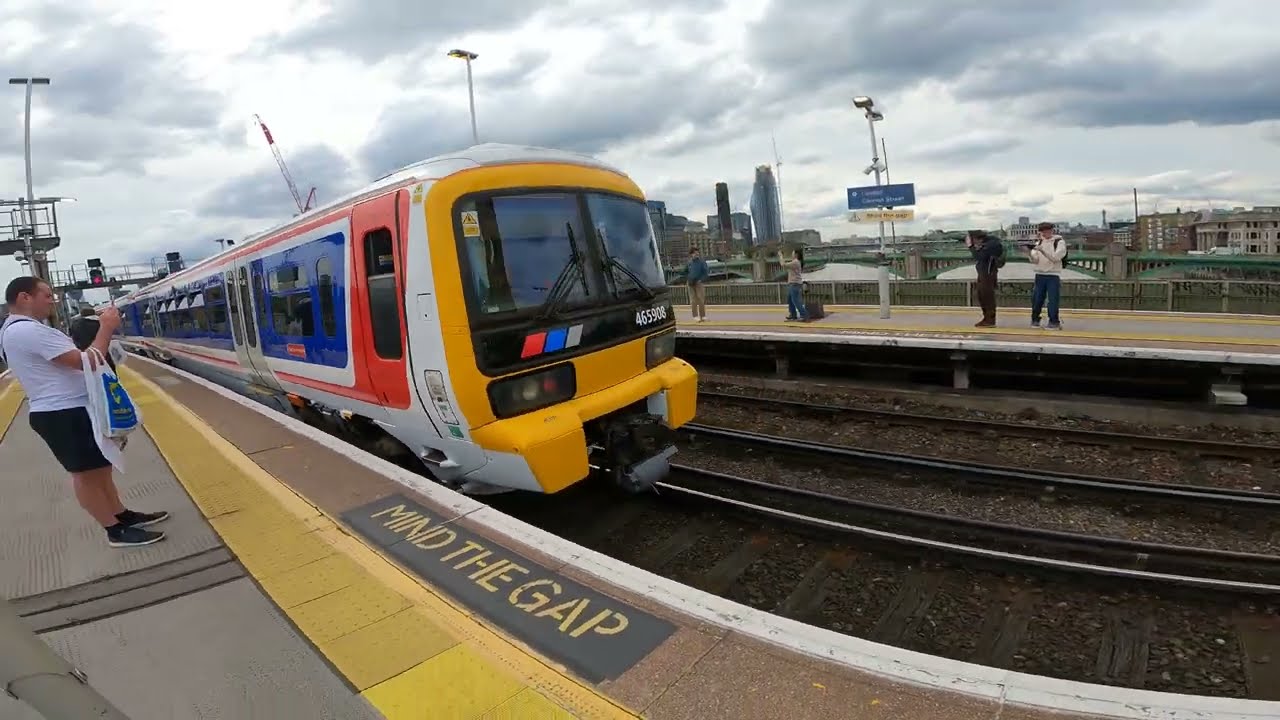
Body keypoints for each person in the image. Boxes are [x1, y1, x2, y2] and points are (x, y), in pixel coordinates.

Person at [0, 277, 168, 548]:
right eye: (45, 294)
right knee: (86, 474)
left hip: (72, 408)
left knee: (99, 468)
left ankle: (121, 514)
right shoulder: (26, 332)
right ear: (24, 298)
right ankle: (114, 530)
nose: (52, 300)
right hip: (62, 413)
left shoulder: (23, 330)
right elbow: (89, 361)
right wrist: (106, 328)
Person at [1028, 222, 1066, 329]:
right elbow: (1035, 260)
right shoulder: (1039, 242)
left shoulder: (1059, 242)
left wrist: (1042, 250)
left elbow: (1055, 258)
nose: (1045, 234)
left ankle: (1054, 321)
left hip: (1053, 275)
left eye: (1047, 231)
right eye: (1042, 232)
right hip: (1040, 274)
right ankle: (1035, 319)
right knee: (1037, 299)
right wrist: (1028, 253)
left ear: (1052, 231)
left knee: (1053, 299)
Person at [966, 230, 1003, 327]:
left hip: (988, 273)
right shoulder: (988, 244)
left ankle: (990, 320)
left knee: (987, 297)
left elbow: (979, 257)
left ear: (976, 239)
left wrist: (971, 247)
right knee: (981, 296)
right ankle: (987, 318)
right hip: (983, 273)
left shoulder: (991, 245)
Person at [69, 306, 117, 372]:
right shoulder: (102, 322)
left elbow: (73, 338)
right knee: (110, 372)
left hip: (86, 355)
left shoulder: (75, 324)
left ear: (82, 314)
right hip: (104, 354)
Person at [781, 247, 809, 321]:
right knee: (790, 300)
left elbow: (783, 264)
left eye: (792, 253)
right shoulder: (795, 262)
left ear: (796, 254)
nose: (791, 254)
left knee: (796, 301)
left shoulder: (795, 262)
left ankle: (804, 315)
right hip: (793, 284)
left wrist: (781, 256)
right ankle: (793, 315)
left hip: (795, 284)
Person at [686, 247, 708, 322]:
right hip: (690, 283)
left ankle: (703, 316)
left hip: (698, 282)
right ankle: (695, 316)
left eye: (697, 253)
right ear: (691, 254)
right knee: (693, 300)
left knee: (701, 299)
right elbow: (685, 271)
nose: (697, 254)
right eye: (695, 253)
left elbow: (705, 272)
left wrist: (701, 280)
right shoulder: (689, 263)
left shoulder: (702, 262)